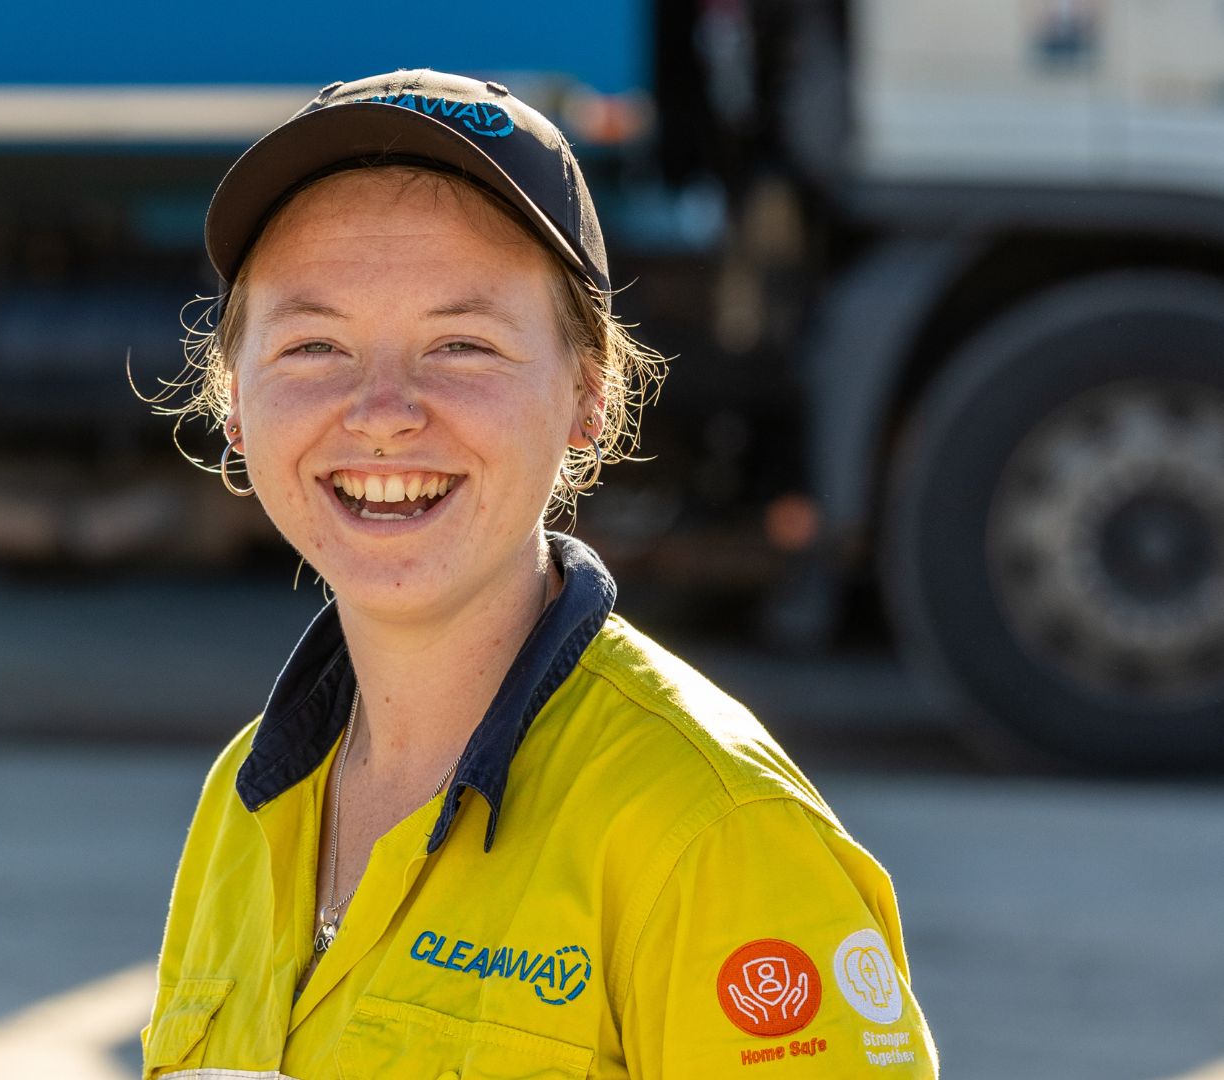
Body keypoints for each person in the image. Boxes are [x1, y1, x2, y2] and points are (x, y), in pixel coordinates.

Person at [141, 69, 938, 1079]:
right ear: (236, 409)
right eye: (314, 345)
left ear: (587, 398)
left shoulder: (711, 832)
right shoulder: (243, 803)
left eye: (461, 344)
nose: (382, 410)